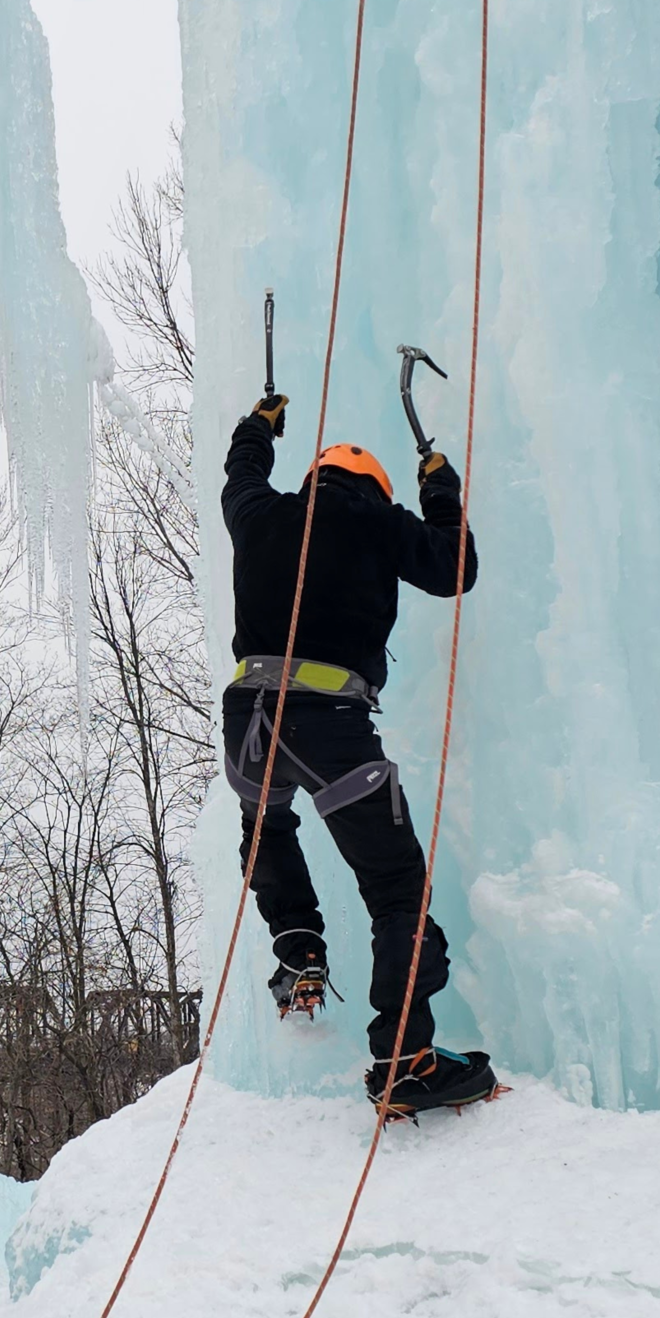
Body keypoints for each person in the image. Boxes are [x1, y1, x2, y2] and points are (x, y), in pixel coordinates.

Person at [221, 393, 498, 1116]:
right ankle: (405, 1058)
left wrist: (258, 427)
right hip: (327, 725)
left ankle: (299, 946)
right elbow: (454, 566)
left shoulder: (261, 513)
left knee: (266, 824)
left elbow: (239, 475)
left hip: (248, 718)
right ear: (372, 487)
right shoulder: (377, 520)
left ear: (312, 477)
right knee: (396, 887)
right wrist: (439, 488)